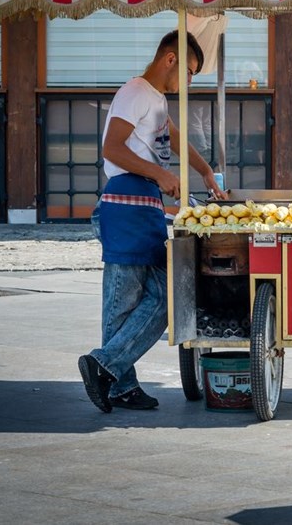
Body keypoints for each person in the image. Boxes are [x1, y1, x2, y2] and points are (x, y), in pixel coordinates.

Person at [79, 31, 226, 413]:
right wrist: (160, 175)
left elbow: (175, 140)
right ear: (170, 60)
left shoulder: (156, 101)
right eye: (190, 72)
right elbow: (111, 149)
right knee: (122, 304)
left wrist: (207, 173)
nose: (190, 82)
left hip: (145, 207)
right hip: (125, 204)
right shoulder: (136, 91)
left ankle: (108, 369)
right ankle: (118, 383)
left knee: (165, 296)